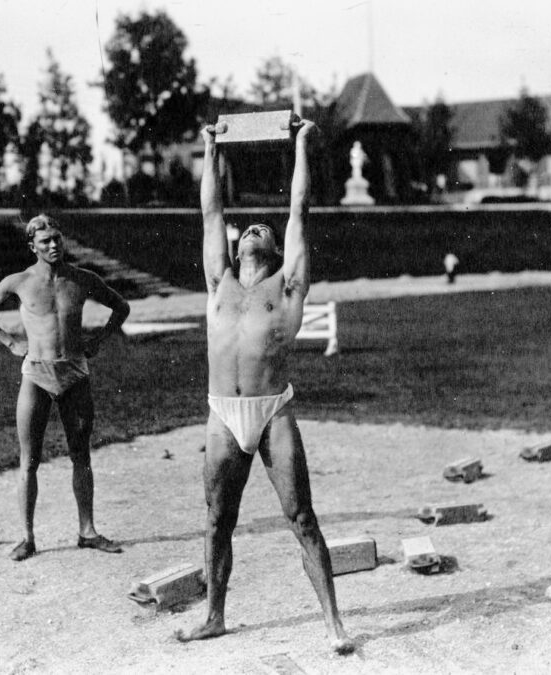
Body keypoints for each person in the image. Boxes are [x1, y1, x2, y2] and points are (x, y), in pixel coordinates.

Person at [175, 120, 353, 655]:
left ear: (275, 251)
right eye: (247, 228)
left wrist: (299, 143)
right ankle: (214, 616)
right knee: (215, 520)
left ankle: (334, 624)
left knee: (301, 516)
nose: (251, 228)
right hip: (222, 412)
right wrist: (208, 147)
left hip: (272, 412)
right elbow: (211, 212)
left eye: (261, 229)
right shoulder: (218, 283)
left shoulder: (287, 287)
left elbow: (299, 210)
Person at [0, 215, 130, 561]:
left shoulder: (83, 279)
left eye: (57, 239)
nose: (54, 245)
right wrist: (10, 342)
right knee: (29, 460)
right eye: (45, 242)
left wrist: (99, 339)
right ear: (33, 247)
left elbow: (121, 306)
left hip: (75, 373)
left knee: (81, 455)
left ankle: (87, 531)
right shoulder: (19, 282)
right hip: (36, 375)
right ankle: (27, 537)